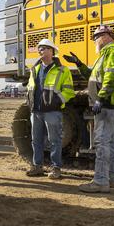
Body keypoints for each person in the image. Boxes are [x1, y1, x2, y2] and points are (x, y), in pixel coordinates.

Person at [65, 26, 114, 193]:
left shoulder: (112, 52)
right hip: (109, 105)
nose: (94, 41)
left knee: (101, 142)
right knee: (112, 142)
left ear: (105, 36)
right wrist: (79, 64)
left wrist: (101, 98)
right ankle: (113, 179)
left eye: (96, 37)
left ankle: (101, 181)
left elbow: (111, 77)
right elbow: (93, 76)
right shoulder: (104, 55)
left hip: (107, 106)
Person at [25, 39, 75, 179]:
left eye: (45, 48)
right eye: (40, 48)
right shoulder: (35, 69)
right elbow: (31, 89)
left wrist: (57, 101)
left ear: (52, 52)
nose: (41, 50)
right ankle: (37, 166)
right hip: (36, 111)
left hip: (52, 111)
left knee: (55, 140)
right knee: (36, 140)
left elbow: (69, 91)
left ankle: (56, 168)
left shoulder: (62, 70)